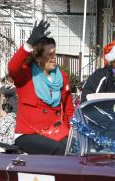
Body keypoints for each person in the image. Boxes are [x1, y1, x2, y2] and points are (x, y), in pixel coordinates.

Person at [8, 20, 75, 155]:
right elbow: (13, 67)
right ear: (38, 58)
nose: (54, 58)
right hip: (29, 133)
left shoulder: (61, 76)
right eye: (49, 55)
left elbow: (69, 109)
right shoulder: (26, 74)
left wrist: (75, 131)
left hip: (56, 131)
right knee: (60, 150)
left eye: (54, 53)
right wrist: (29, 44)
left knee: (76, 149)